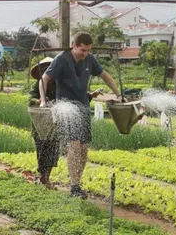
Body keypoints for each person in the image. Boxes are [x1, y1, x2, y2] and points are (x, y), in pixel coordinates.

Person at [39, 32, 123, 199]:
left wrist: (118, 94)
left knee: (84, 148)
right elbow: (44, 79)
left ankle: (77, 183)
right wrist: (42, 101)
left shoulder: (90, 60)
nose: (85, 54)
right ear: (74, 46)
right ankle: (74, 186)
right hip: (66, 108)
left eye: (88, 50)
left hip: (83, 107)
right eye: (82, 50)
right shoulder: (62, 60)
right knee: (74, 145)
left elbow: (105, 76)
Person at [29, 57, 59, 189]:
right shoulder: (37, 85)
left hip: (54, 125)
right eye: (45, 69)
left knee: (53, 153)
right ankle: (43, 177)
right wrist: (40, 101)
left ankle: (47, 177)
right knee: (42, 151)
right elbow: (30, 99)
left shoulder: (59, 84)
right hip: (40, 124)